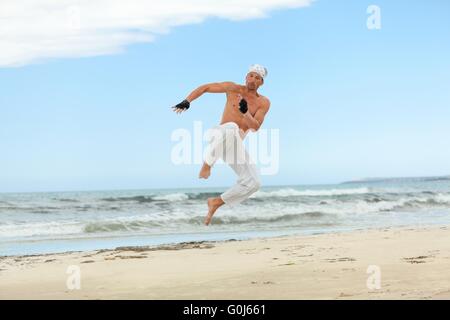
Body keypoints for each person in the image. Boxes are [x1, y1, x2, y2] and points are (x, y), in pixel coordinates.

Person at [172, 64, 271, 225]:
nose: (253, 80)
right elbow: (205, 87)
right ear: (246, 77)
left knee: (254, 183)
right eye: (251, 76)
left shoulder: (264, 102)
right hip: (219, 135)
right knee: (232, 127)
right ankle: (207, 164)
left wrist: (245, 112)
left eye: (257, 78)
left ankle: (216, 202)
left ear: (261, 83)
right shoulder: (232, 88)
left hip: (234, 144)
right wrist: (187, 100)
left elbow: (255, 127)